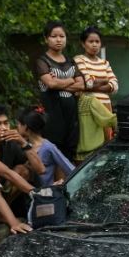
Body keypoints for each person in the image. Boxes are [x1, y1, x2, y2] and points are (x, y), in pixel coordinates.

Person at [35, 20, 85, 159]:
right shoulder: (42, 61)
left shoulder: (70, 61)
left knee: (70, 152)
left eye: (62, 36)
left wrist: (59, 82)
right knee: (54, 153)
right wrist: (70, 80)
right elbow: (50, 84)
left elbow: (81, 85)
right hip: (52, 118)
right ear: (46, 39)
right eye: (54, 36)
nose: (58, 39)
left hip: (72, 118)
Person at [73, 26, 119, 141]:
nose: (94, 45)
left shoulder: (105, 63)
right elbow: (86, 82)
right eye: (91, 41)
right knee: (91, 141)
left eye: (97, 41)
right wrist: (104, 81)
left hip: (106, 107)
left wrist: (92, 85)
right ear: (83, 44)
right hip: (89, 108)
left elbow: (115, 86)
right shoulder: (79, 60)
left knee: (106, 140)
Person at [17, 107, 75, 186]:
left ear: (26, 127)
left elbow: (68, 167)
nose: (17, 126)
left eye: (19, 124)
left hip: (47, 192)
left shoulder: (48, 147)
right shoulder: (22, 145)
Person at [76, 90, 117, 162]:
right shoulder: (67, 102)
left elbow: (111, 120)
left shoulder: (90, 101)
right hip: (75, 157)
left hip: (94, 155)